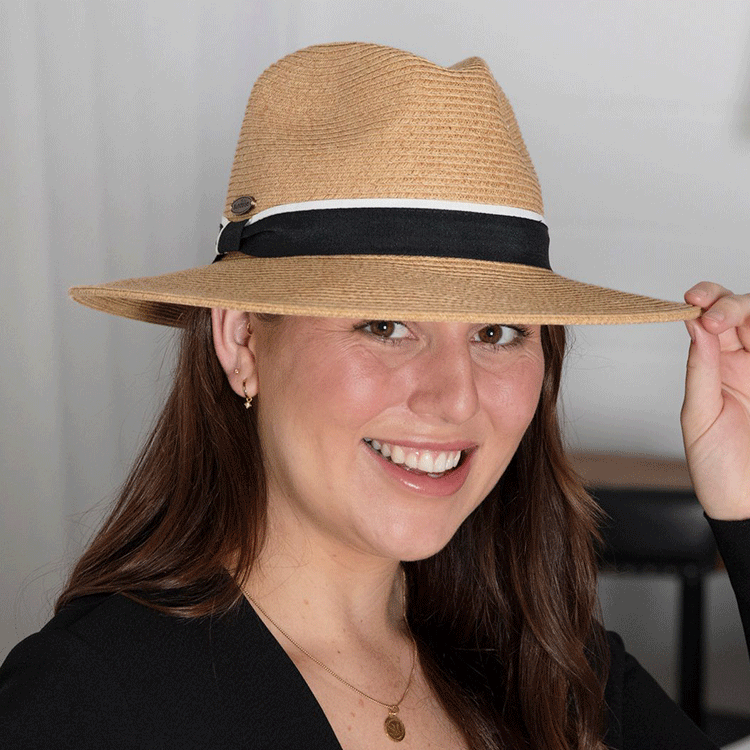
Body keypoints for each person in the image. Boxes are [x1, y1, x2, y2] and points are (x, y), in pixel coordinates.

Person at [0, 41, 748, 750]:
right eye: (385, 326)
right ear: (242, 341)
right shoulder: (87, 702)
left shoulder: (551, 662)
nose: (455, 399)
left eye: (496, 332)